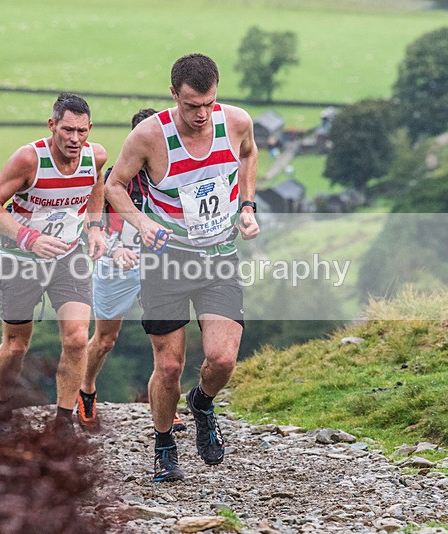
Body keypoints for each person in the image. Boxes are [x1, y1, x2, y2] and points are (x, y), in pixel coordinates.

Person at [104, 54, 260, 482]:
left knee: (223, 359)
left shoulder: (236, 122)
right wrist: (141, 221)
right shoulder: (149, 136)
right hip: (166, 262)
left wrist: (247, 206)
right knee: (169, 367)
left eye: (208, 103)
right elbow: (113, 186)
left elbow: (248, 155)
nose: (201, 114)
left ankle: (203, 404)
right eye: (191, 105)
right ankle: (164, 444)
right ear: (173, 95)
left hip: (218, 257)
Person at [0, 92, 107, 430]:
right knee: (16, 345)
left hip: (69, 257)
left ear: (90, 129)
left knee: (78, 337)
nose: (75, 139)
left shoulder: (95, 156)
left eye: (82, 131)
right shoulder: (28, 160)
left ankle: (63, 420)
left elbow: (97, 186)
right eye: (67, 130)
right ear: (52, 125)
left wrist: (94, 228)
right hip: (21, 258)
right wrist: (29, 238)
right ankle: (2, 405)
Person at [77, 108, 185, 435]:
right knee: (106, 339)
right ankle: (86, 390)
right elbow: (90, 226)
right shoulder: (113, 179)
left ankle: (164, 408)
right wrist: (114, 249)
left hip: (159, 264)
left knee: (166, 342)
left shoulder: (177, 176)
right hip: (117, 264)